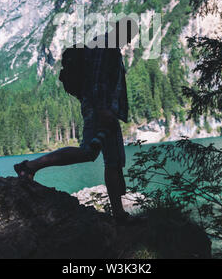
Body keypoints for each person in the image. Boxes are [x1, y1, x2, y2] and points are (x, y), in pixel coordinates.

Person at [14, 17, 140, 225]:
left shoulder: (106, 45)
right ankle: (29, 166)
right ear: (120, 31)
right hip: (101, 111)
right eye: (128, 34)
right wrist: (102, 110)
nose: (128, 39)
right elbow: (97, 81)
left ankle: (118, 214)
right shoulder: (105, 46)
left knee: (114, 160)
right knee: (89, 152)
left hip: (106, 111)